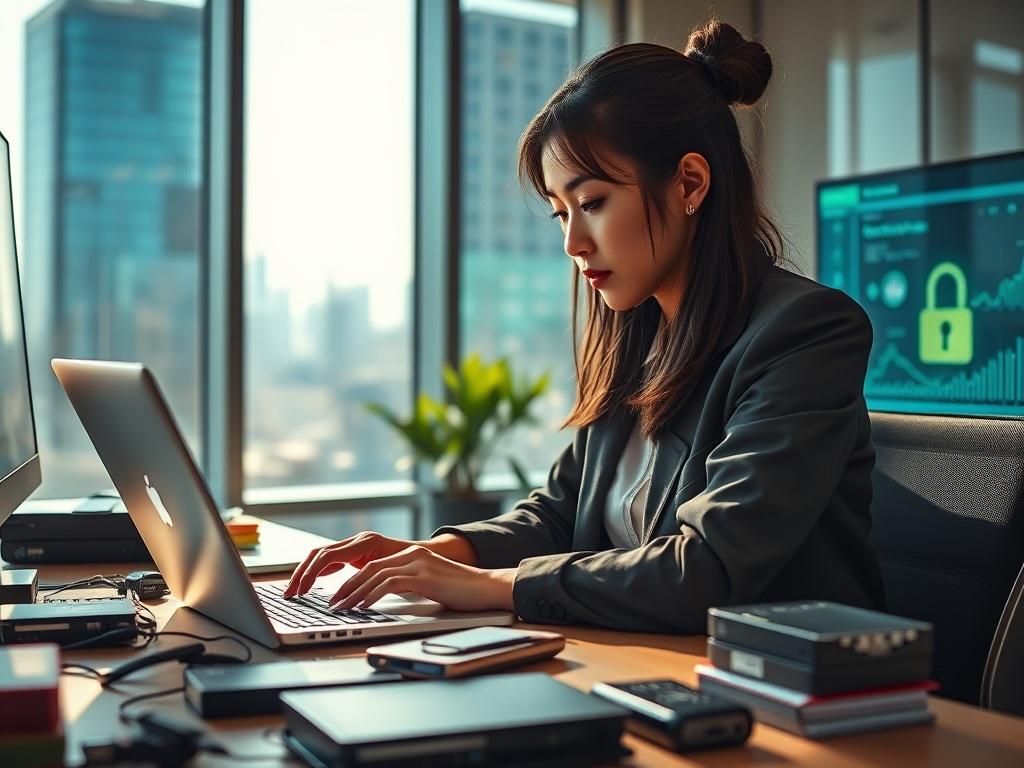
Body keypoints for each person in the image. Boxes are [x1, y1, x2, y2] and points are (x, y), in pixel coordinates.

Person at [284, 19, 886, 633]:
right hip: (644, 666)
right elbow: (560, 512)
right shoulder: (641, 335)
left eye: (593, 202)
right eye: (559, 213)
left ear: (689, 183)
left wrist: (492, 586)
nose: (573, 242)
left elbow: (708, 569)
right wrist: (433, 556)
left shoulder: (804, 332)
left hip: (784, 692)